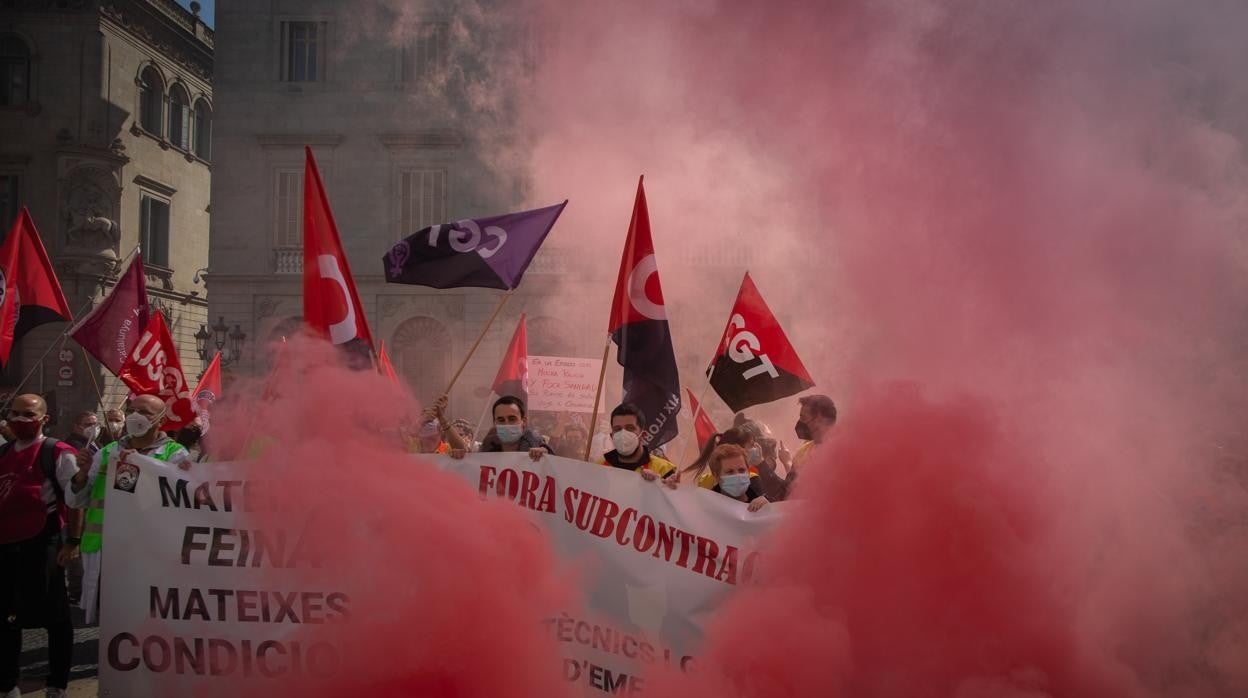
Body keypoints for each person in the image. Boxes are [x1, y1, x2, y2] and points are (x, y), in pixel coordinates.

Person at [1, 394, 90, 698]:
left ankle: (57, 683)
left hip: (43, 543)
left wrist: (73, 541)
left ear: (44, 419)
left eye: (28, 414)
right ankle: (8, 683)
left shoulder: (56, 452)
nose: (20, 420)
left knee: (55, 617)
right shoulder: (3, 453)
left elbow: (76, 498)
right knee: (6, 617)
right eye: (14, 414)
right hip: (6, 545)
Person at [74, 394, 191, 625]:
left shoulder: (176, 455)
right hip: (105, 548)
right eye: (132, 410)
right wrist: (81, 474)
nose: (135, 416)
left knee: (148, 617)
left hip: (148, 552)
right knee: (111, 619)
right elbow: (77, 500)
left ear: (160, 419)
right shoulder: (106, 452)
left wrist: (139, 470)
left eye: (145, 412)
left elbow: (179, 505)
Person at [597, 403, 677, 487]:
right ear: (611, 436)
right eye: (617, 429)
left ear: (643, 435)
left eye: (630, 428)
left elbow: (676, 497)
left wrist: (660, 485)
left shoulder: (664, 470)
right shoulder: (598, 467)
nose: (623, 434)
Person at [456, 396, 550, 460]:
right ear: (494, 423)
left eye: (512, 419)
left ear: (523, 421)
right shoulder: (488, 447)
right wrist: (461, 458)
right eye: (501, 420)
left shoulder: (535, 443)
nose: (507, 424)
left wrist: (546, 456)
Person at [678, 426, 759, 488]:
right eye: (751, 445)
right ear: (737, 449)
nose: (756, 449)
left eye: (741, 470)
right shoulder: (751, 480)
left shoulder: (705, 480)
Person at [706, 443, 769, 512]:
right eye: (730, 472)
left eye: (741, 470)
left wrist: (769, 510)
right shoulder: (706, 508)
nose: (737, 475)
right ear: (716, 476)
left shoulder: (761, 501)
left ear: (748, 471)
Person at [789, 394, 837, 472]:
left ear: (820, 419)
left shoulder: (842, 453)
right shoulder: (802, 453)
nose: (800, 422)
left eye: (803, 417)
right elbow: (788, 483)